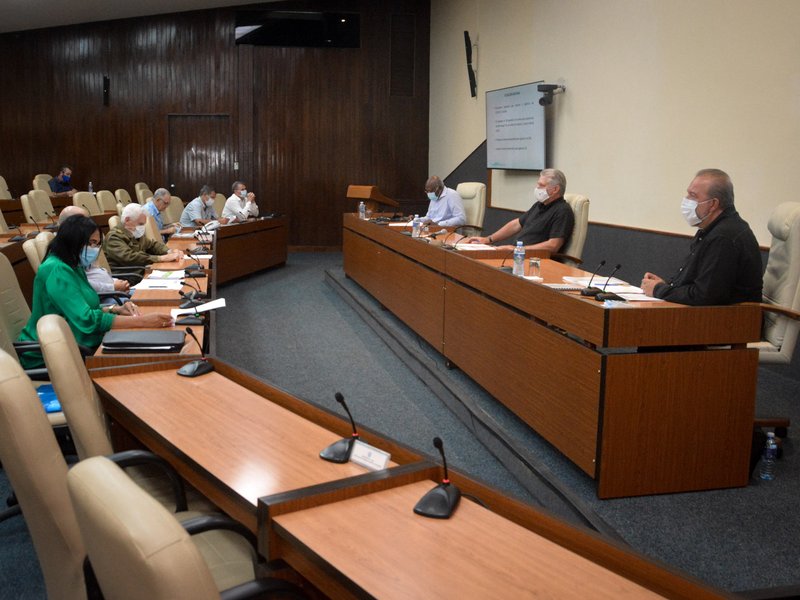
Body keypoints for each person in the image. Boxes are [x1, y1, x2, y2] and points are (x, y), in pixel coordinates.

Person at [16, 215, 174, 369]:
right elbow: (87, 320)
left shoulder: (73, 265)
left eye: (97, 244)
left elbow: (84, 308)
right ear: (72, 239)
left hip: (76, 341)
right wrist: (143, 322)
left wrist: (115, 309)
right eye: (91, 243)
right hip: (52, 353)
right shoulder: (57, 269)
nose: (94, 249)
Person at [641, 168, 762, 305]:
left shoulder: (723, 237)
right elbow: (701, 286)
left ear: (713, 204)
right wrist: (666, 286)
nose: (686, 200)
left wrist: (659, 290)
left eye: (693, 196)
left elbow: (704, 296)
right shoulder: (715, 229)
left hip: (726, 322)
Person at [466, 168, 574, 252]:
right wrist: (488, 239)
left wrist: (517, 250)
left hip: (534, 261)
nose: (537, 188)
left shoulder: (562, 211)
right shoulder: (539, 205)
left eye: (541, 185)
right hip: (518, 255)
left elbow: (553, 245)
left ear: (555, 189)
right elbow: (516, 224)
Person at [58, 205, 130, 297]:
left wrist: (117, 283)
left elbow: (96, 272)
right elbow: (80, 284)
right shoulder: (64, 253)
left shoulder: (85, 246)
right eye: (83, 222)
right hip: (101, 298)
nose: (89, 224)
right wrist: (112, 287)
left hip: (111, 292)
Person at [104, 203, 183, 268]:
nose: (142, 227)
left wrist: (169, 251)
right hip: (128, 275)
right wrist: (160, 258)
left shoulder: (135, 233)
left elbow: (152, 245)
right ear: (127, 220)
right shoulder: (114, 237)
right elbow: (130, 258)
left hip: (141, 269)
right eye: (140, 224)